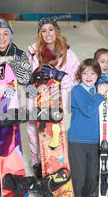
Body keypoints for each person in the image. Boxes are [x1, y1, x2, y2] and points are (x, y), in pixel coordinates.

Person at [0, 18, 32, 193]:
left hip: (12, 106)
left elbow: (26, 78)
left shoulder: (19, 53)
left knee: (11, 142)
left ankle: (14, 175)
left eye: (5, 33)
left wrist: (10, 61)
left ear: (10, 35)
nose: (1, 37)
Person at [27, 16, 80, 178]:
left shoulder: (68, 54)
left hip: (59, 104)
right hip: (38, 102)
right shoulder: (33, 54)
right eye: (43, 30)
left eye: (51, 29)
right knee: (34, 133)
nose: (47, 33)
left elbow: (77, 81)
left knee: (56, 136)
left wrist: (60, 76)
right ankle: (37, 163)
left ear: (57, 31)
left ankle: (58, 164)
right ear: (39, 34)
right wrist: (31, 83)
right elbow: (25, 81)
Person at [68, 59, 108, 197]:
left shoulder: (98, 90)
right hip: (78, 140)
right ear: (80, 74)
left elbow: (107, 107)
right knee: (79, 175)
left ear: (98, 75)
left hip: (96, 140)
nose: (89, 76)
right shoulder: (77, 91)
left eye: (93, 73)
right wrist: (101, 94)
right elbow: (88, 110)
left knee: (93, 174)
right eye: (85, 73)